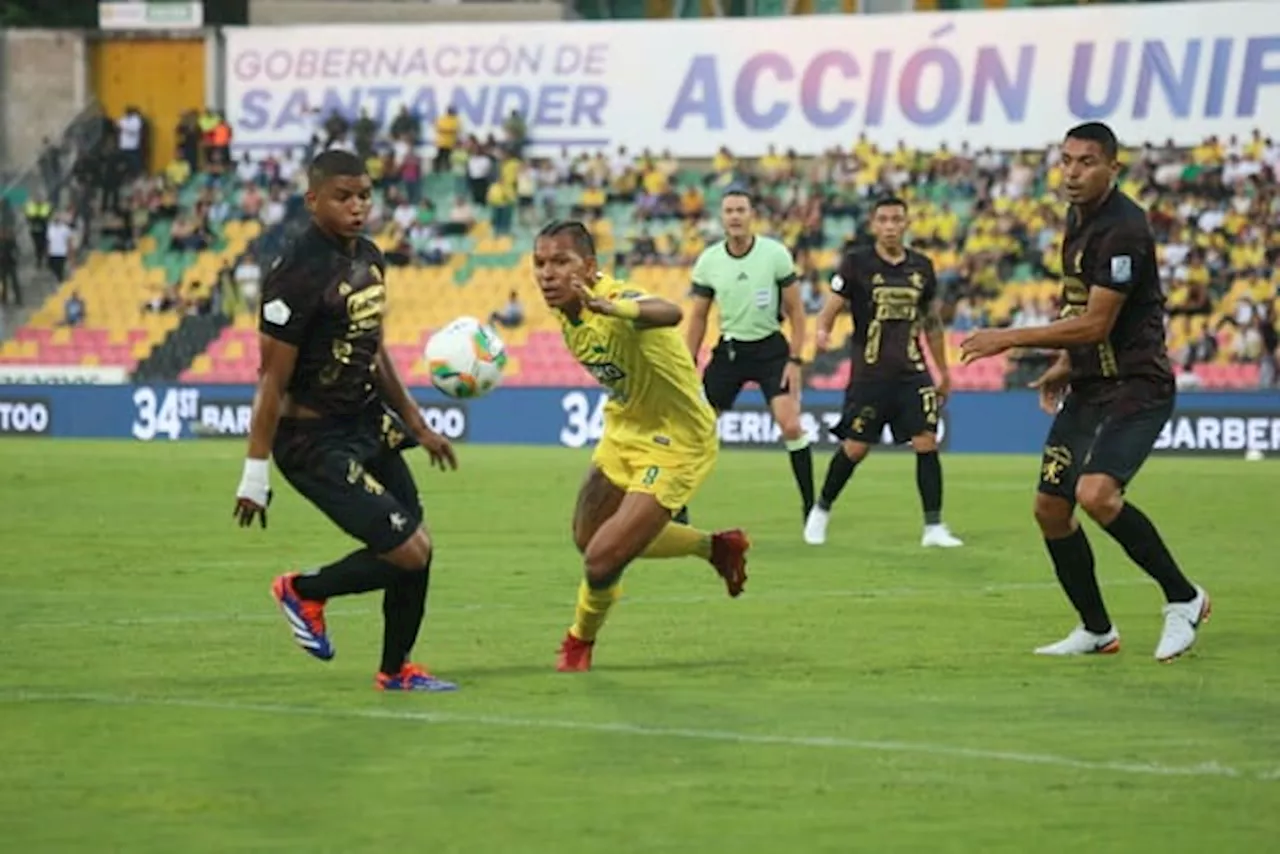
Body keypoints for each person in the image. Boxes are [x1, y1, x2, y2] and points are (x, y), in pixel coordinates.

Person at [960, 121, 1209, 662]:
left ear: (1112, 168)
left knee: (1096, 495)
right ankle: (1097, 630)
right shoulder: (1079, 221)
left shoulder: (1124, 229)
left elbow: (1096, 323)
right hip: (1091, 384)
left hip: (1137, 385)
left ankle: (1184, 598)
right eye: (1066, 160)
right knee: (1051, 507)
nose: (1072, 172)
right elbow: (1083, 316)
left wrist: (1008, 338)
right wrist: (1065, 364)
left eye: (1086, 162)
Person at [233, 149, 460, 692]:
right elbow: (272, 380)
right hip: (312, 441)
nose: (357, 207)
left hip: (366, 422)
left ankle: (396, 670)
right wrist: (254, 472)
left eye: (364, 195)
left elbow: (373, 348)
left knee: (417, 542)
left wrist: (418, 425)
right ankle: (304, 590)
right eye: (343, 197)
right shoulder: (295, 276)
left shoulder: (371, 257)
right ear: (313, 200)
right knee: (409, 549)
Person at [533, 220, 750, 673]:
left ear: (589, 267)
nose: (548, 274)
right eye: (540, 263)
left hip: (678, 440)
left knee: (600, 560)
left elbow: (668, 311)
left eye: (560, 262)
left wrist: (613, 308)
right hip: (626, 426)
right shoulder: (564, 306)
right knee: (586, 538)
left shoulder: (616, 300)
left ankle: (578, 644)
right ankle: (716, 548)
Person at [805, 197, 962, 549]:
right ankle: (821, 509)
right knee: (856, 448)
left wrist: (944, 372)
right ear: (874, 225)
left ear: (906, 224)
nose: (890, 225)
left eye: (896, 219)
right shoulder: (856, 263)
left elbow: (932, 324)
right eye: (884, 220)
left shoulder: (922, 267)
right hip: (870, 375)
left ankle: (933, 527)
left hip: (912, 372)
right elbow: (831, 306)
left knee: (926, 441)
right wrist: (822, 331)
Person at [684, 189, 813, 527]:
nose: (735, 216)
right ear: (722, 217)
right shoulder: (709, 261)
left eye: (741, 209)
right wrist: (687, 361)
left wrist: (796, 360)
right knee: (697, 430)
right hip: (729, 352)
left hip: (770, 350)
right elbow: (698, 317)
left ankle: (812, 509)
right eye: (729, 211)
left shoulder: (775, 255)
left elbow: (797, 312)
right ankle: (676, 504)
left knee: (791, 425)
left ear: (751, 214)